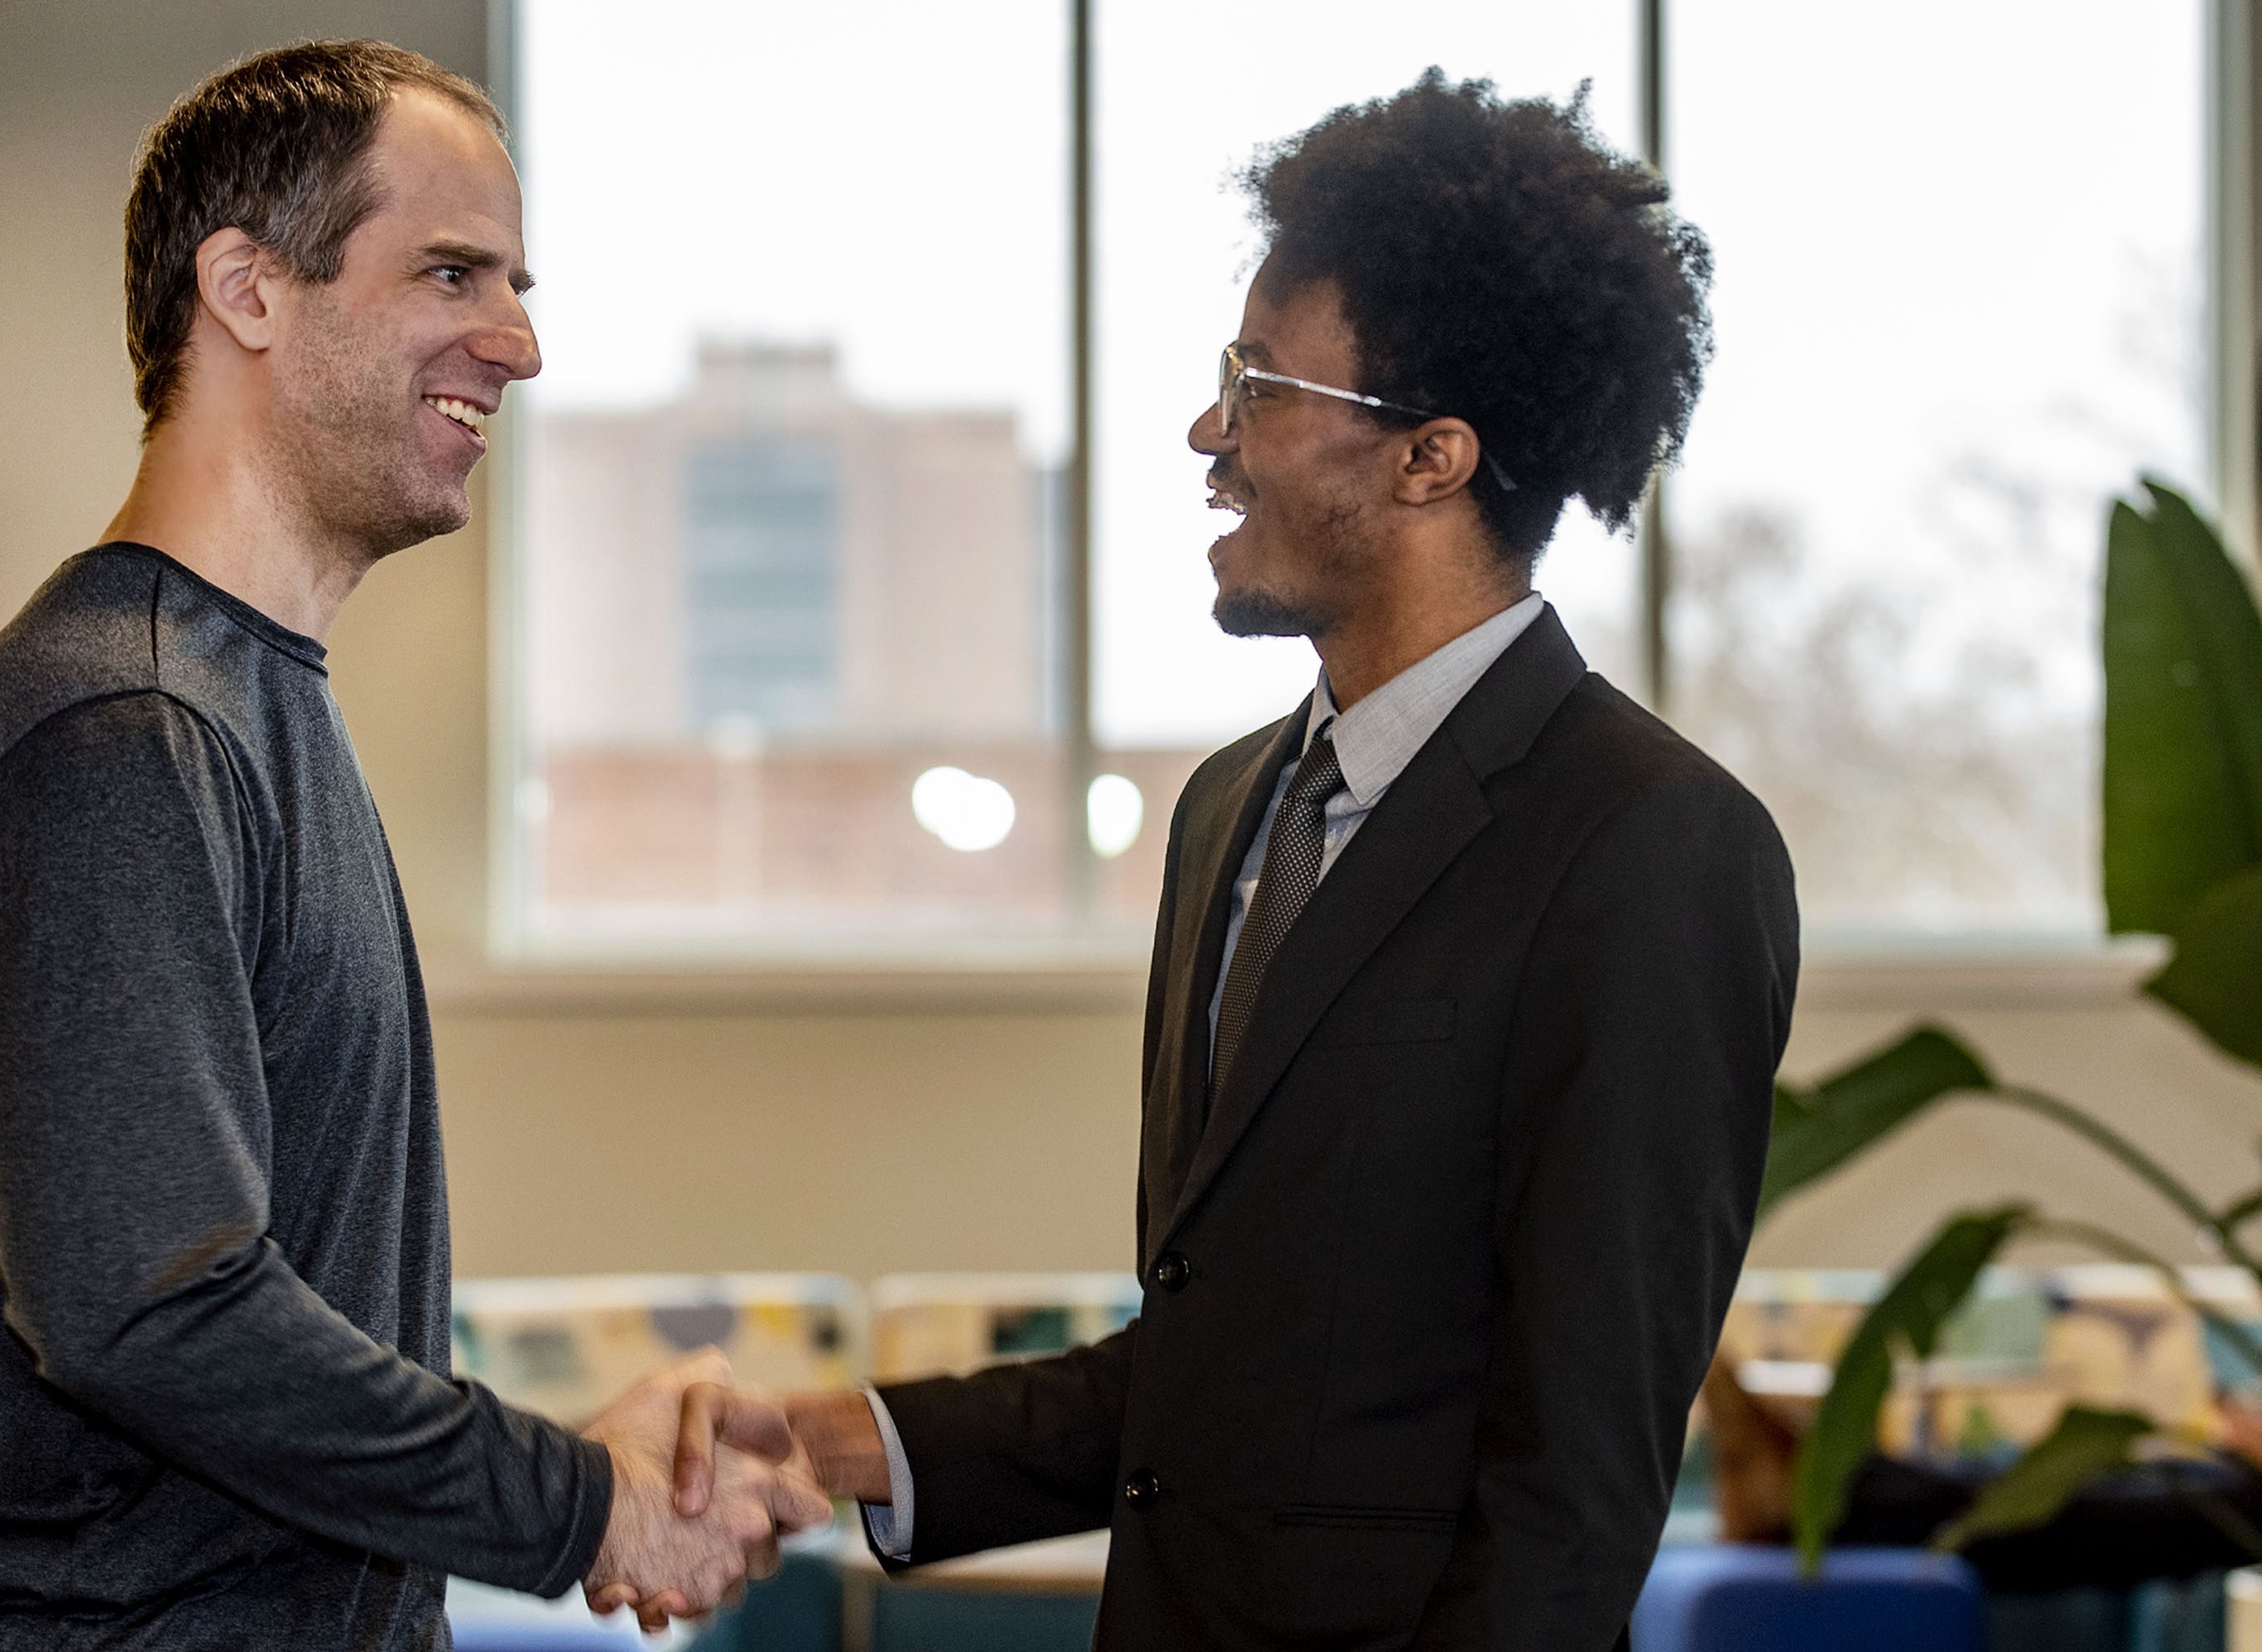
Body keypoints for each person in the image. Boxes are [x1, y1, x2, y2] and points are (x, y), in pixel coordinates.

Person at [721, 70, 1799, 1650]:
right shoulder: (1234, 812)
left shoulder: (1651, 846)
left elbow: (1571, 1487)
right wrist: (851, 1444)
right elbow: (1230, 1364)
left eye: (1261, 384)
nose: (1207, 431)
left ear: (1431, 458)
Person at [0, 40, 824, 1650]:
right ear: (248, 289)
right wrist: (580, 1501)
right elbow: (155, 1307)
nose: (518, 342)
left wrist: (580, 1462)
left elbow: (282, 1296)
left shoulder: (255, 699)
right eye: (450, 269)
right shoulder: (122, 724)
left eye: (518, 281)